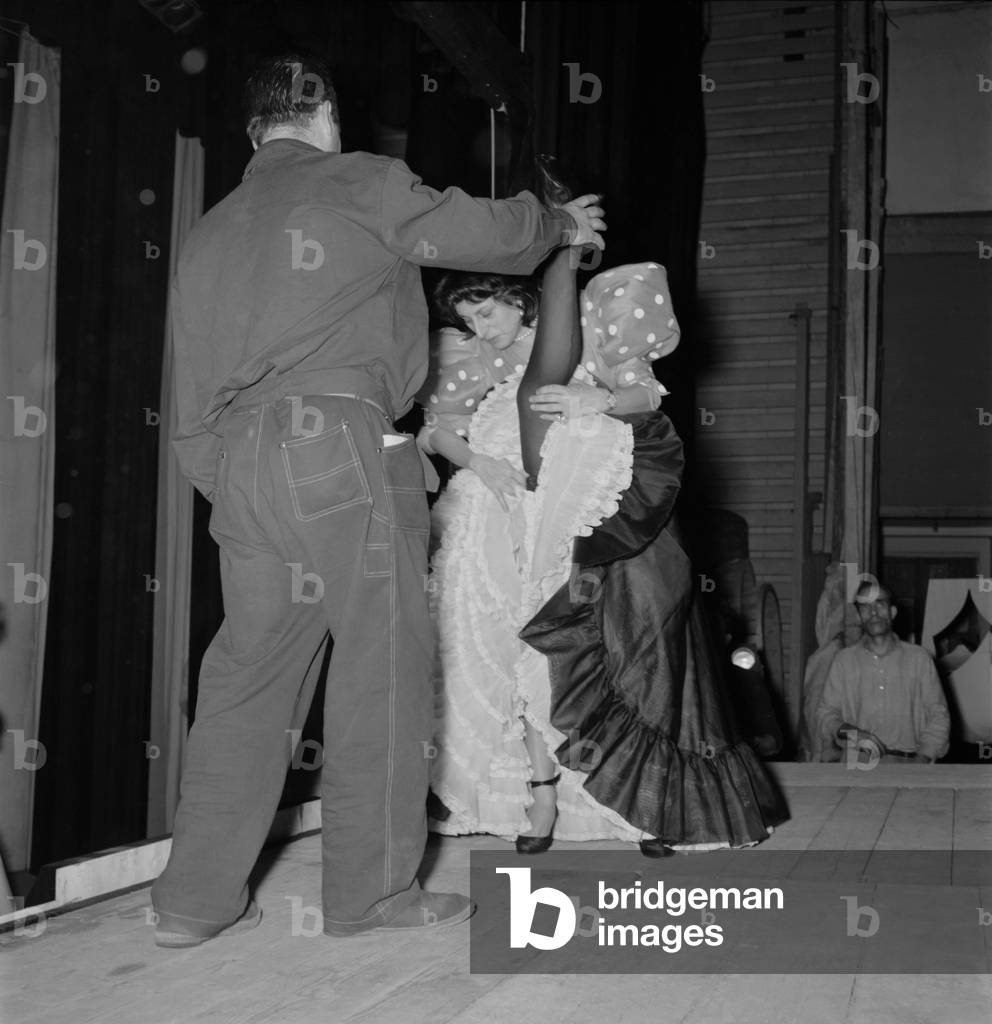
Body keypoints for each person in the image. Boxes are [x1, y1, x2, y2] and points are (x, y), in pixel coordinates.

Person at [151, 54, 607, 947]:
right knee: (381, 671)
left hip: (238, 465)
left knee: (246, 680)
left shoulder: (209, 231)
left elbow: (190, 392)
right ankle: (371, 897)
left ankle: (192, 902)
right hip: (342, 446)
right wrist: (554, 220)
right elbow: (478, 233)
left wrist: (237, 486)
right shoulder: (351, 178)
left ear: (254, 133)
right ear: (321, 117)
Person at [419, 198, 788, 854]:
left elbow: (649, 395)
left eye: (487, 312)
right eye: (468, 319)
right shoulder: (482, 364)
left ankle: (644, 809)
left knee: (619, 652)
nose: (481, 330)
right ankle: (539, 801)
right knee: (514, 652)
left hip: (590, 513)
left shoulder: (591, 327)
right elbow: (435, 430)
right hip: (502, 521)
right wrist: (478, 458)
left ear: (518, 297)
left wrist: (597, 399)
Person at [815, 581, 951, 765]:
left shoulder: (919, 659)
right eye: (865, 607)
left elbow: (939, 715)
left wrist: (922, 759)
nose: (873, 613)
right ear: (859, 615)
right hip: (857, 764)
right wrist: (855, 735)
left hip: (910, 764)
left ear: (892, 612)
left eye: (880, 604)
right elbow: (826, 714)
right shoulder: (843, 661)